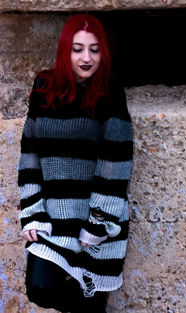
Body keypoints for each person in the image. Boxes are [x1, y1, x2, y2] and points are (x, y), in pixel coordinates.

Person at [18, 13, 133, 313]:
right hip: (53, 221)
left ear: (103, 53)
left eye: (94, 49)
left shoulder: (110, 93)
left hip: (94, 223)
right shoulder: (44, 87)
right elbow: (29, 152)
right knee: (39, 287)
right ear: (64, 50)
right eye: (78, 48)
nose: (86, 58)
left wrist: (99, 220)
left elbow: (116, 160)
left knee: (92, 302)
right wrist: (31, 212)